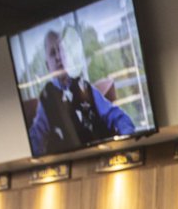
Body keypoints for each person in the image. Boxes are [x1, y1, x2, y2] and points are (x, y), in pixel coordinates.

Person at [27, 27, 135, 156]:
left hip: (104, 153)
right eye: (52, 53)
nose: (58, 57)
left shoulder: (84, 86)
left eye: (60, 50)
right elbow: (34, 143)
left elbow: (117, 116)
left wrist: (126, 143)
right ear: (47, 65)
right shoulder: (46, 99)